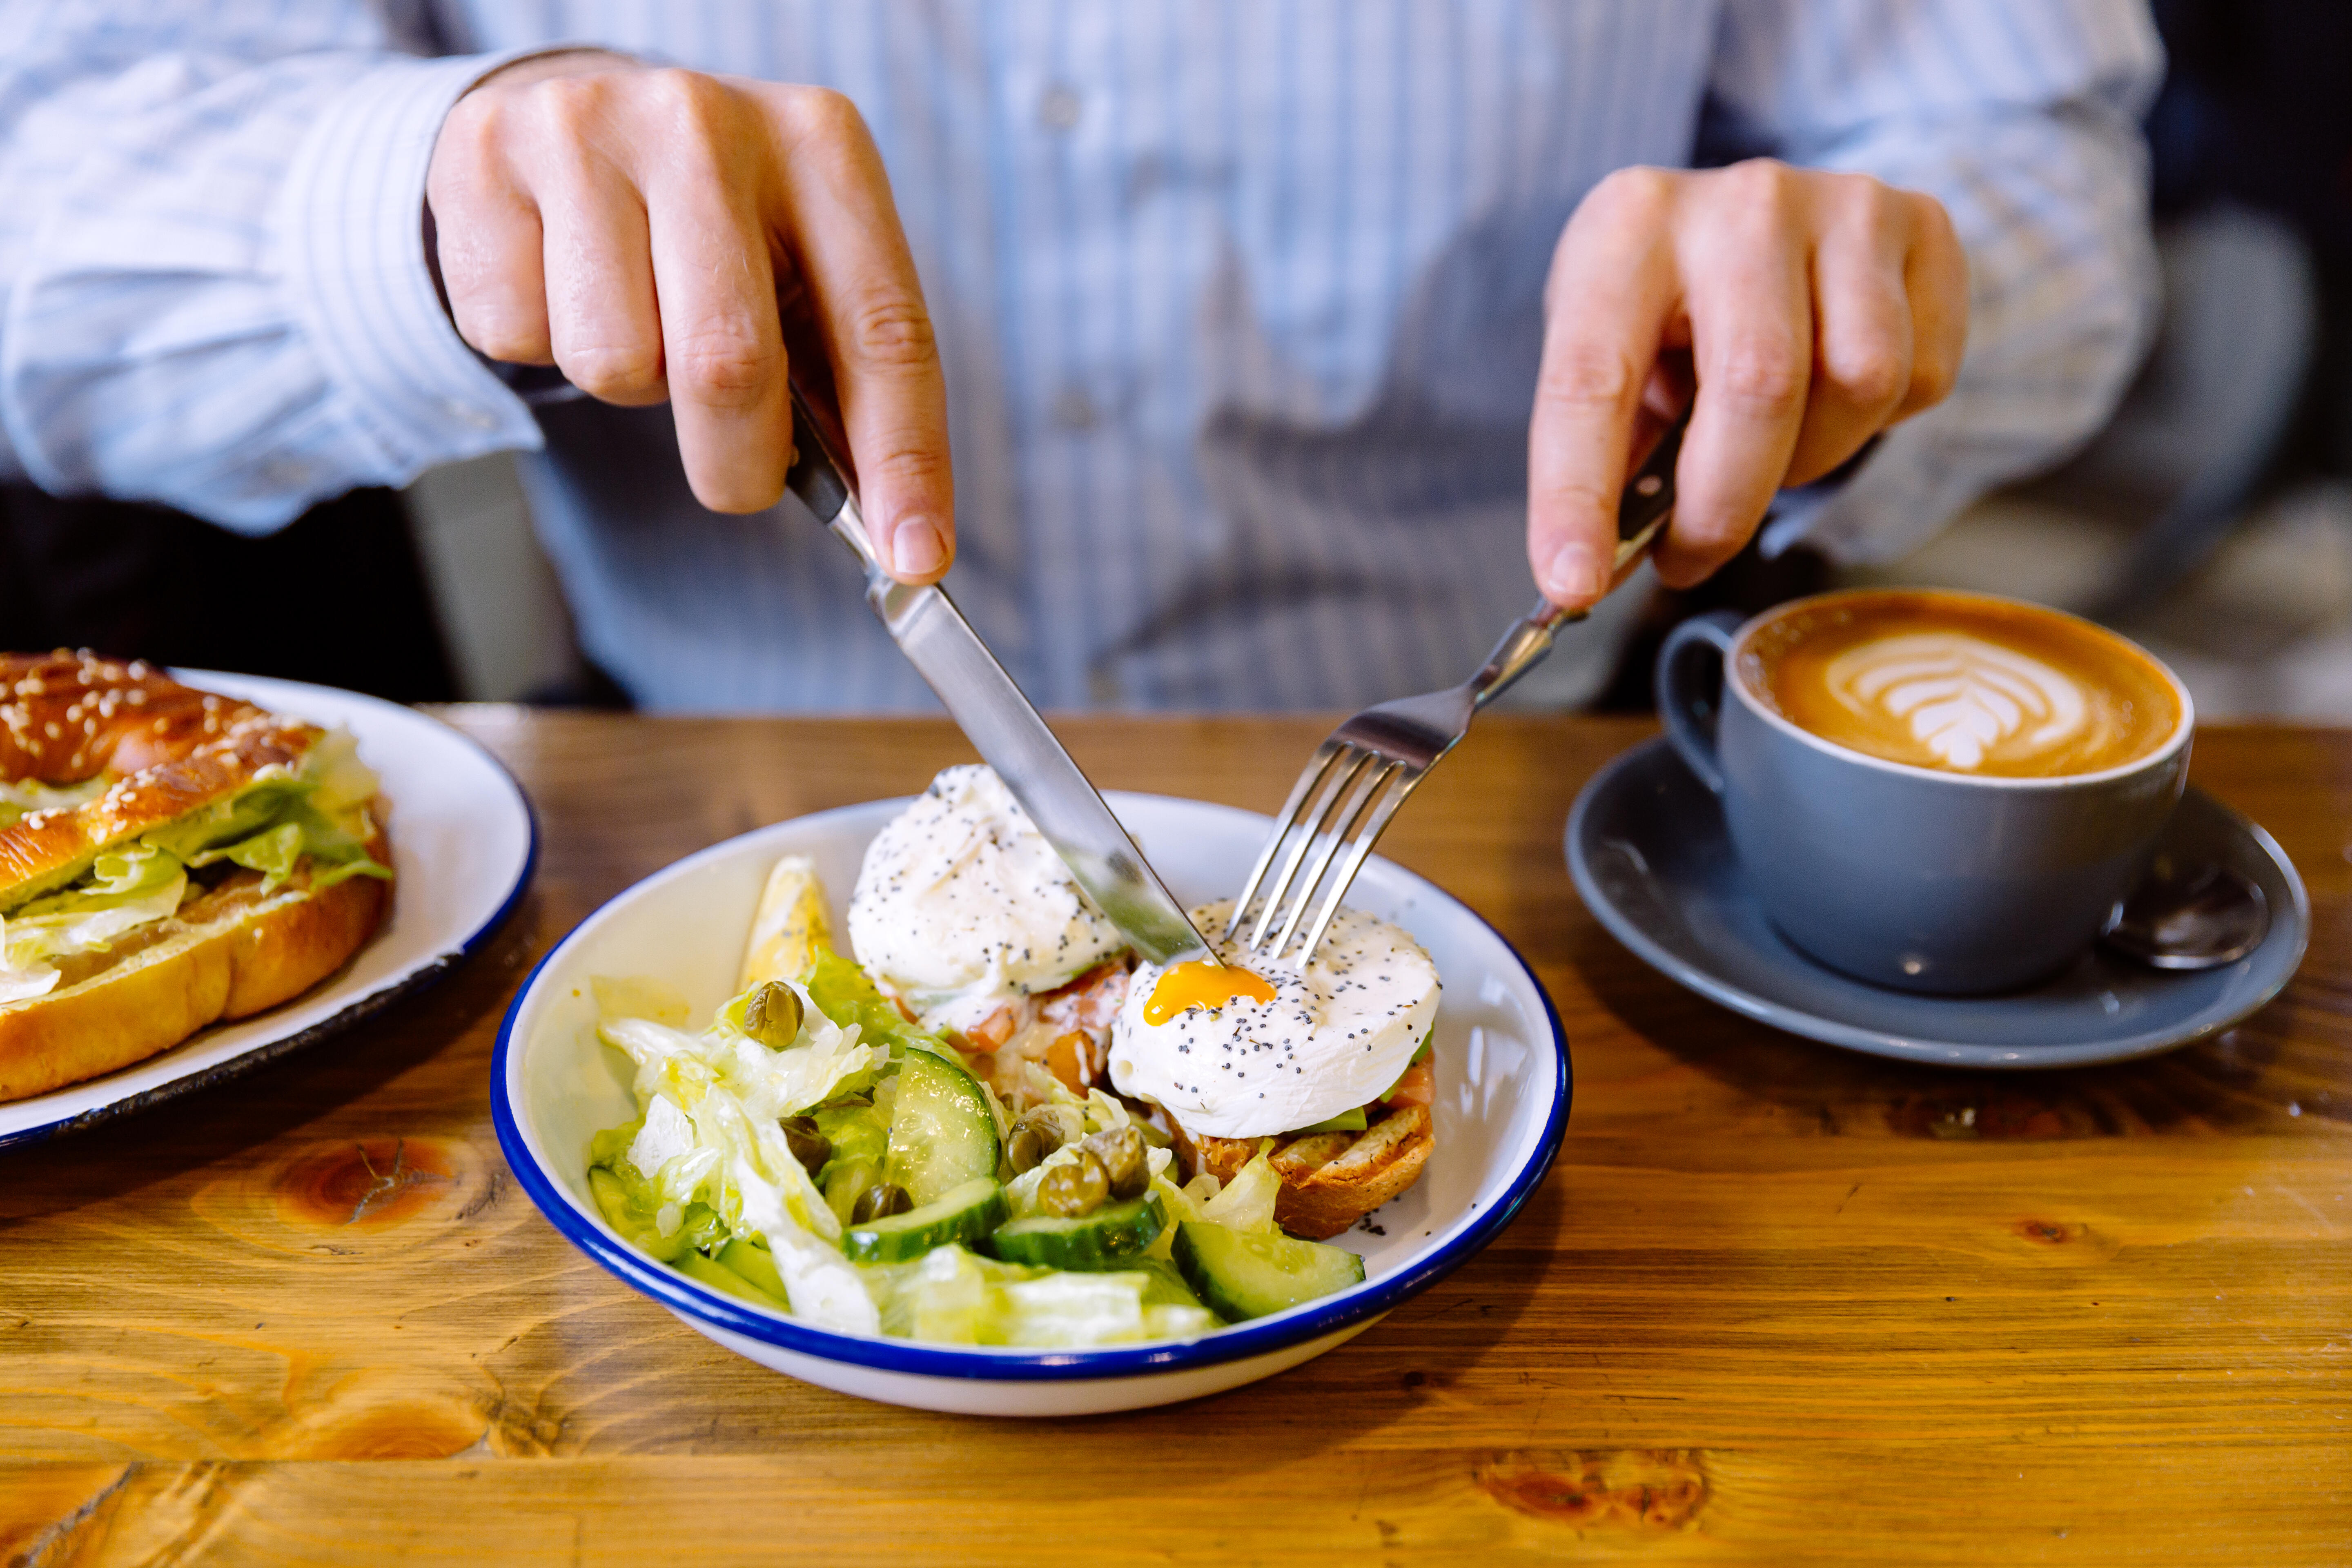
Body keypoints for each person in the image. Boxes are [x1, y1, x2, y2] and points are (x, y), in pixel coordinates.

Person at [0, 2, 2160, 712]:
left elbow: (2033, 153)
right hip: (696, 801)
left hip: (1541, 802)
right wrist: (429, 194)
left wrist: (1877, 274)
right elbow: (51, 205)